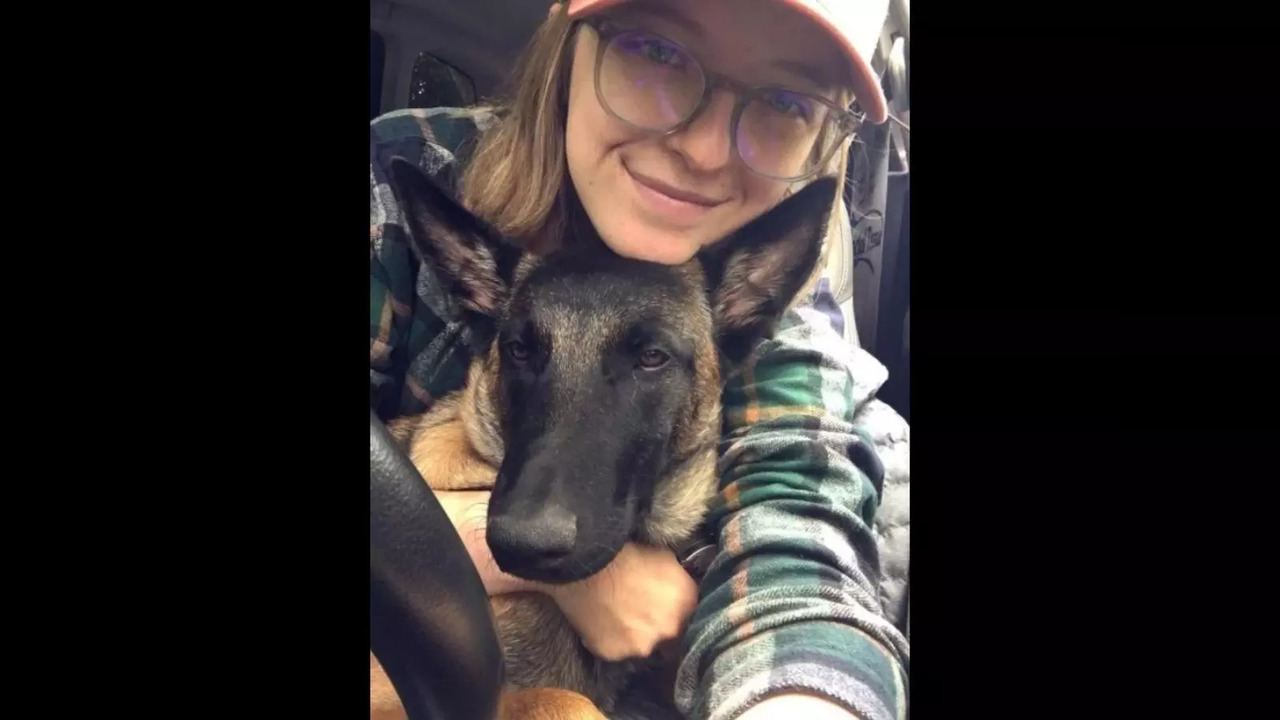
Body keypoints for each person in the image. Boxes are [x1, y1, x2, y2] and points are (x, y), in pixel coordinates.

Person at [369, 1, 910, 718]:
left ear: (826, 144)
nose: (705, 150)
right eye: (657, 53)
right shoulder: (399, 178)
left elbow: (801, 564)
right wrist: (558, 573)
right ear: (570, 43)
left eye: (785, 101)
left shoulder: (776, 338)